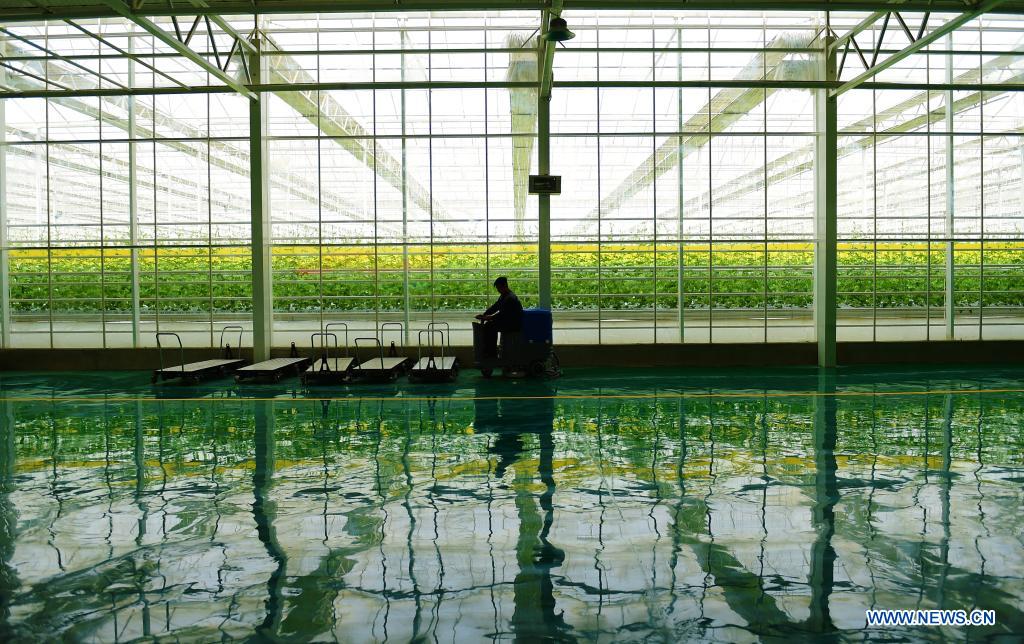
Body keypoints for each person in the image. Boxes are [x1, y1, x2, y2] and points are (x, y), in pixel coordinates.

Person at [475, 276, 524, 359]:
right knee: (489, 325)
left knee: (489, 327)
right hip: (508, 321)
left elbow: (502, 314)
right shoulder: (504, 296)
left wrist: (488, 317)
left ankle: (491, 353)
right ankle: (490, 352)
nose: (498, 290)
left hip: (513, 324)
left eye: (498, 288)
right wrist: (484, 315)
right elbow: (495, 307)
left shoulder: (510, 298)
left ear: (504, 286)